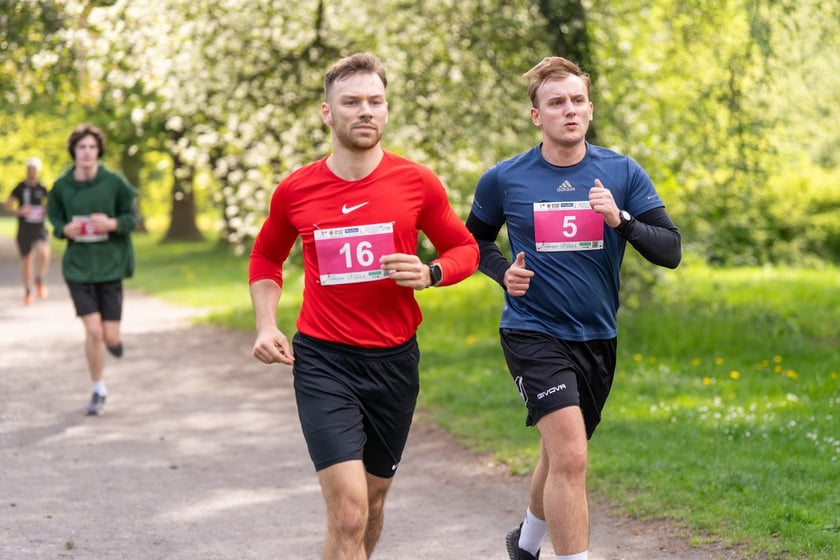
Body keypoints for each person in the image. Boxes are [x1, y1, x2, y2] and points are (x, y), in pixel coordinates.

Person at [249, 53, 479, 559]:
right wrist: (266, 324)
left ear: (387, 109)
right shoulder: (296, 189)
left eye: (375, 101)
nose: (365, 111)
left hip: (394, 361)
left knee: (373, 505)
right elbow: (267, 255)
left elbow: (466, 249)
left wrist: (431, 272)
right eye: (351, 102)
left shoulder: (416, 182)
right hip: (324, 360)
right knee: (349, 511)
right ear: (327, 113)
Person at [465, 56, 682, 560]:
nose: (570, 110)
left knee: (558, 452)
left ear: (590, 108)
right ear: (536, 115)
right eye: (556, 102)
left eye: (577, 100)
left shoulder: (621, 172)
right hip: (532, 331)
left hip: (598, 336)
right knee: (571, 456)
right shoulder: (504, 179)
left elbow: (669, 251)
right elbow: (473, 240)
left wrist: (620, 218)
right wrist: (503, 274)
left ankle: (524, 545)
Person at [48, 124, 138, 416]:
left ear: (98, 150)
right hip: (78, 269)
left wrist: (112, 224)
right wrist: (65, 229)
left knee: (110, 336)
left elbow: (132, 216)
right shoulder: (62, 186)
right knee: (94, 332)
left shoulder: (114, 182)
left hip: (110, 267)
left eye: (92, 147)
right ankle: (98, 389)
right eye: (81, 147)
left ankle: (114, 342)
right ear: (73, 150)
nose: (86, 152)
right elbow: (55, 221)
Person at [4, 157, 51, 305]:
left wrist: (45, 210)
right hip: (24, 229)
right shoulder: (19, 188)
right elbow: (7, 206)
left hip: (39, 228)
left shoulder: (42, 187)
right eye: (29, 168)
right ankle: (28, 291)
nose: (31, 171)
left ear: (37, 171)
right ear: (27, 170)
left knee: (44, 253)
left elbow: (51, 205)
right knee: (26, 260)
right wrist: (19, 211)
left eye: (34, 168)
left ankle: (39, 279)